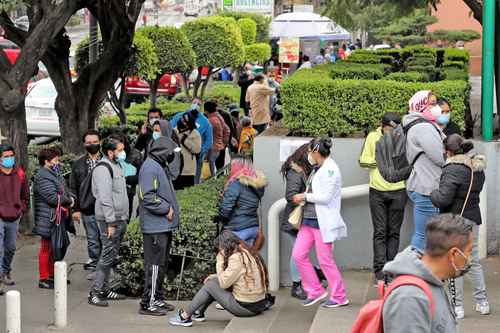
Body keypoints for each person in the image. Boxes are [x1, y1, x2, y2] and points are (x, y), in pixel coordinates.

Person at [430, 135, 490, 319]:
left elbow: (443, 198)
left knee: (455, 263)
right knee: (473, 261)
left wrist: (433, 193)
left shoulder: (453, 169)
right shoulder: (477, 168)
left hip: (455, 221)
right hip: (472, 219)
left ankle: (457, 307)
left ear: (448, 151)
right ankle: (482, 302)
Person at [383, 214, 474, 333]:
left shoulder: (435, 282)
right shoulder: (410, 297)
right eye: (469, 251)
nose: (469, 258)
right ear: (454, 254)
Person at [169, 230, 272, 327]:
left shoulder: (236, 258)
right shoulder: (248, 252)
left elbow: (223, 283)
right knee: (213, 281)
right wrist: (215, 276)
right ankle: (198, 313)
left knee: (210, 285)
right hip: (259, 304)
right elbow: (238, 275)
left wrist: (220, 259)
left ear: (225, 247)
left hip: (245, 308)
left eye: (220, 249)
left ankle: (185, 317)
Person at [291, 138, 349, 308]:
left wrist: (304, 196)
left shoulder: (331, 169)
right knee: (298, 255)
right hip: (309, 220)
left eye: (310, 151)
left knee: (325, 261)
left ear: (316, 152)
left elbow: (326, 197)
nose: (308, 154)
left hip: (321, 222)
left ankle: (339, 296)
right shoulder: (319, 168)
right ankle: (315, 290)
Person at [359, 113, 407, 283]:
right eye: (389, 128)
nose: (392, 132)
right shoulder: (372, 137)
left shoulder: (403, 137)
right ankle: (379, 271)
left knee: (394, 232)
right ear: (382, 125)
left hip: (399, 190)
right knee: (380, 232)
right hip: (377, 192)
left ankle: (391, 269)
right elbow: (363, 160)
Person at [138, 136, 180, 316]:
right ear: (163, 152)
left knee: (160, 264)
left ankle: (157, 298)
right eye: (171, 152)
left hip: (162, 226)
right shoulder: (150, 168)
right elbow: (147, 196)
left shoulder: (157, 165)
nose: (172, 155)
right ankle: (148, 303)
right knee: (154, 265)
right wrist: (166, 209)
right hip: (155, 226)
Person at [88, 136, 129, 307]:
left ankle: (104, 289)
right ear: (110, 152)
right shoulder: (103, 169)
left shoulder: (116, 165)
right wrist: (111, 222)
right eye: (119, 150)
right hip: (108, 220)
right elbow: (104, 198)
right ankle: (95, 292)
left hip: (118, 218)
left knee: (111, 254)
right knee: (106, 254)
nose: (122, 153)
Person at [404, 90, 446, 252]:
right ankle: (413, 271)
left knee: (424, 235)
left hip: (422, 185)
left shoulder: (420, 125)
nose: (436, 107)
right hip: (427, 188)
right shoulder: (423, 127)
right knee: (424, 236)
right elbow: (440, 157)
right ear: (421, 105)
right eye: (432, 104)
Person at [33, 147, 75, 289]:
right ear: (46, 162)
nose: (58, 162)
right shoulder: (42, 175)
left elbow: (64, 190)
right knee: (46, 248)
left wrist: (68, 198)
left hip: (56, 217)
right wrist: (68, 200)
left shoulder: (54, 173)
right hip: (48, 218)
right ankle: (44, 278)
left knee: (54, 247)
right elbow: (52, 197)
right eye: (56, 160)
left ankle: (51, 275)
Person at [280, 143, 313, 300]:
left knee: (301, 252)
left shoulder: (306, 170)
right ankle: (296, 285)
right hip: (294, 221)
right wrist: (307, 198)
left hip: (301, 220)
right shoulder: (296, 172)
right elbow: (290, 195)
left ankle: (304, 281)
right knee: (298, 253)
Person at [70, 130, 102, 272]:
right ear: (84, 144)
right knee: (92, 239)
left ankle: (105, 266)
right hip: (87, 208)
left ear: (100, 142)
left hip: (106, 208)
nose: (92, 145)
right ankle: (95, 263)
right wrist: (75, 209)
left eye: (95, 142)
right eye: (89, 142)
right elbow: (73, 187)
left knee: (107, 238)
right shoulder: (78, 164)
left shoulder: (107, 160)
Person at [218, 158, 267, 246]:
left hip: (237, 229)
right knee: (246, 257)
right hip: (252, 228)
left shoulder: (235, 184)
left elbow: (225, 209)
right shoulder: (256, 184)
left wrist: (221, 219)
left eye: (232, 167)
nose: (230, 170)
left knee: (230, 258)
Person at [0, 144, 29, 293]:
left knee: (10, 248)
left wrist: (21, 209)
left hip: (14, 216)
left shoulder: (19, 173)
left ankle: (5, 271)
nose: (9, 159)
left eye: (11, 156)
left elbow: (25, 196)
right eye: (6, 156)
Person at [170, 102, 213, 185]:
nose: (196, 105)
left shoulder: (205, 122)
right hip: (177, 159)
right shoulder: (179, 116)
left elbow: (209, 140)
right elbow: (169, 129)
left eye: (198, 103)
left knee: (192, 182)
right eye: (194, 102)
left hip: (193, 158)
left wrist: (201, 152)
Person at [174, 113, 202, 190]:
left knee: (187, 193)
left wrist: (185, 139)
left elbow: (197, 150)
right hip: (175, 169)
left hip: (188, 170)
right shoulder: (174, 131)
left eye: (185, 121)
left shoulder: (195, 134)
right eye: (182, 119)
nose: (182, 122)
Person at [205, 101, 230, 177]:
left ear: (205, 111)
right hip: (219, 146)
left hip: (213, 147)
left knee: (211, 170)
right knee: (219, 168)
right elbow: (227, 130)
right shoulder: (218, 117)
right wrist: (223, 143)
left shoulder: (210, 120)